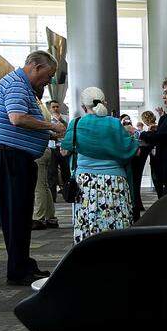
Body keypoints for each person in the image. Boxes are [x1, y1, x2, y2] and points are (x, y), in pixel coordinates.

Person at [0, 50, 65, 285]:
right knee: (16, 215)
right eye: (47, 76)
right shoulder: (18, 85)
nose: (47, 82)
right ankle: (18, 270)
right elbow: (17, 118)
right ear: (36, 67)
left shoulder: (18, 84)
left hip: (11, 156)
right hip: (9, 158)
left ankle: (22, 264)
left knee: (18, 215)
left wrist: (46, 132)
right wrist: (51, 126)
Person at [61, 86, 137, 244]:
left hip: (86, 184)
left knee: (88, 223)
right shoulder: (115, 123)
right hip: (115, 182)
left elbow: (64, 151)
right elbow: (131, 150)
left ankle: (88, 258)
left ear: (83, 106)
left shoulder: (75, 124)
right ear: (105, 103)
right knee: (117, 223)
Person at [31, 91, 59, 231]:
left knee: (38, 187)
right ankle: (51, 217)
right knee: (44, 185)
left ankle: (38, 217)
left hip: (37, 150)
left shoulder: (34, 108)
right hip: (46, 149)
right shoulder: (42, 107)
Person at [130, 110, 156, 220]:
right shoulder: (153, 129)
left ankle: (135, 207)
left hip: (150, 159)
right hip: (150, 158)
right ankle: (137, 205)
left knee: (135, 180)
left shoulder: (150, 130)